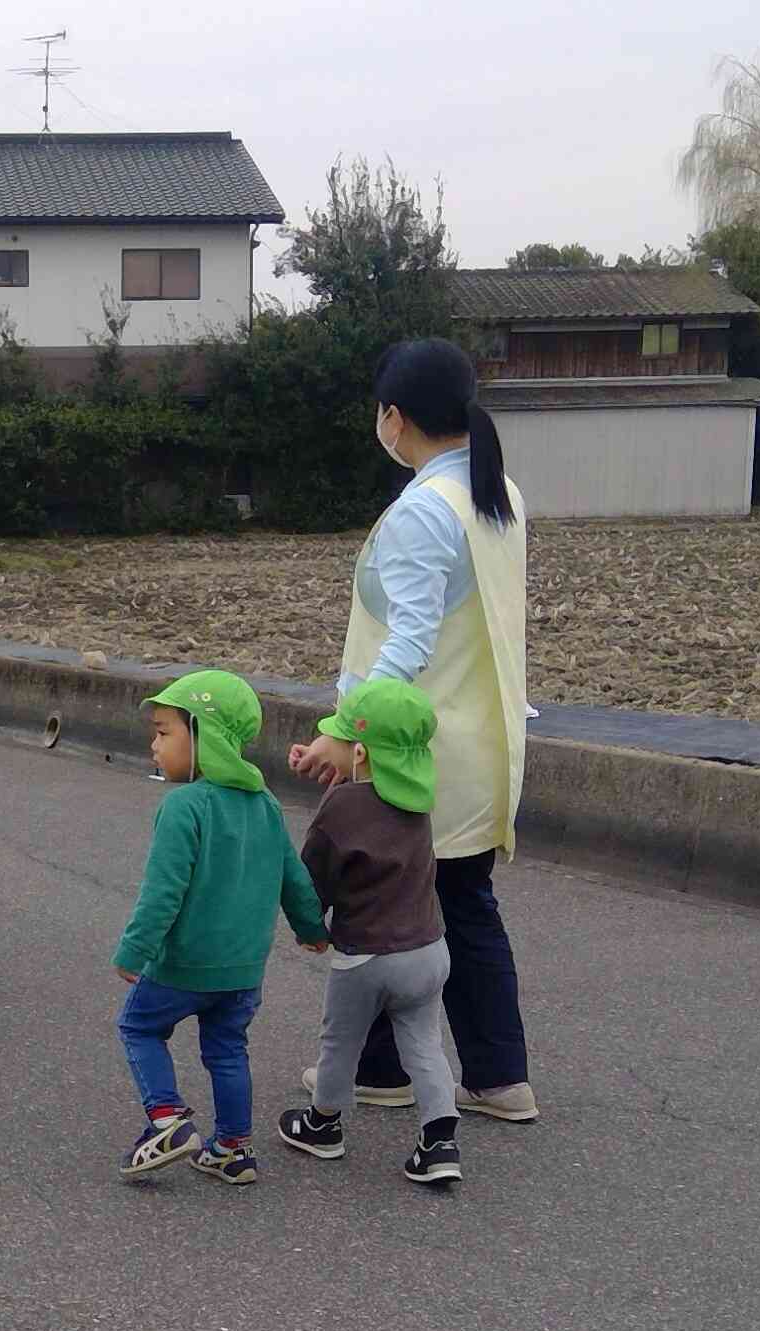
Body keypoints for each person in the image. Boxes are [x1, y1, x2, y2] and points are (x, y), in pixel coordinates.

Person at [287, 338, 539, 1126]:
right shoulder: (497, 493)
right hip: (482, 738)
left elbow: (407, 642)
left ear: (395, 418)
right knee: (458, 905)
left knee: (383, 910)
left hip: (418, 748)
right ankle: (499, 1076)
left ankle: (380, 1068)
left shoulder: (424, 511)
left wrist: (342, 726)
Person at [114, 671, 328, 1186]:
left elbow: (163, 893)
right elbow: (293, 877)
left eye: (165, 732)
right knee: (228, 1050)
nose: (154, 745)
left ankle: (165, 1119)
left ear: (203, 736)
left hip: (183, 965)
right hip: (242, 970)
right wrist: (311, 927)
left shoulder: (184, 807)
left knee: (139, 1027)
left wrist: (134, 950)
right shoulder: (266, 805)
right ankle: (233, 1149)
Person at [276, 678, 463, 1186]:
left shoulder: (342, 808)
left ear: (359, 752)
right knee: (424, 1044)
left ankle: (323, 1124)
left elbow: (313, 879)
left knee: (340, 1043)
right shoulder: (420, 799)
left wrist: (310, 929)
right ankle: (440, 1140)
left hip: (367, 957)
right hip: (429, 949)